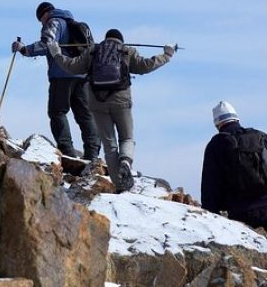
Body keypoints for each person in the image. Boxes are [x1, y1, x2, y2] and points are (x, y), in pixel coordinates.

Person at [47, 29, 175, 192]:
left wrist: (56, 53)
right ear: (120, 40)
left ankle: (120, 185)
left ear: (106, 39)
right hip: (121, 100)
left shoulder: (92, 51)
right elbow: (146, 66)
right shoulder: (127, 51)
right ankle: (126, 161)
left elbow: (72, 67)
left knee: (110, 145)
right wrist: (167, 55)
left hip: (97, 103)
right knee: (126, 137)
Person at [12, 2, 100, 161]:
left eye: (40, 20)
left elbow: (48, 44)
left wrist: (24, 49)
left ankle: (67, 151)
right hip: (82, 75)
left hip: (61, 75)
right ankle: (93, 153)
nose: (42, 23)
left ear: (44, 14)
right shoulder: (76, 25)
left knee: (57, 111)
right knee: (85, 115)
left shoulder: (54, 22)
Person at [201, 101, 267, 228]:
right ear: (237, 118)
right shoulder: (261, 137)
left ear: (217, 124)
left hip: (242, 213)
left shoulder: (217, 144)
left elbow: (210, 185)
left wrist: (211, 216)